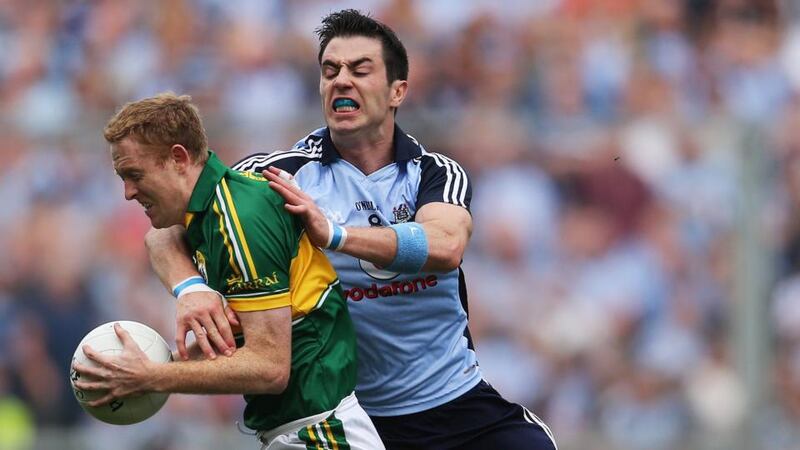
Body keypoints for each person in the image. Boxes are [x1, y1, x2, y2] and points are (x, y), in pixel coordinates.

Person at [146, 10, 557, 450]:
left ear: (398, 90)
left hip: (456, 407)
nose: (341, 81)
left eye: (360, 70)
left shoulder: (433, 172)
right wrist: (190, 287)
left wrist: (334, 234)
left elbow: (446, 244)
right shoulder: (274, 178)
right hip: (344, 422)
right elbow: (165, 234)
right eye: (330, 71)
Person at [73, 93, 384, 450]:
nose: (127, 192)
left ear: (178, 158)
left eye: (134, 174)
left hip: (320, 434)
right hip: (298, 432)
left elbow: (270, 368)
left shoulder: (241, 219)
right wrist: (190, 289)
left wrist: (152, 376)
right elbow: (158, 239)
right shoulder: (209, 209)